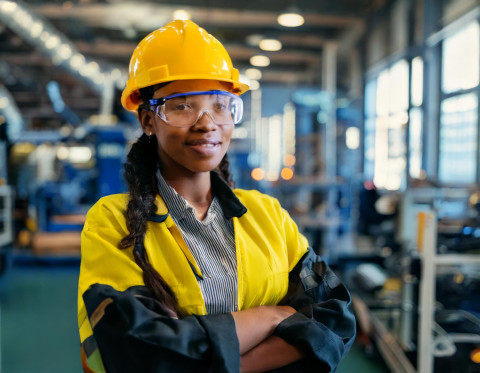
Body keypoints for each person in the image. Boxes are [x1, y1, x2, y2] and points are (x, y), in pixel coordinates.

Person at [77, 20, 356, 373]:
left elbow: (335, 319)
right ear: (149, 119)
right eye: (182, 106)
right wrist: (274, 315)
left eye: (221, 105)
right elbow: (142, 352)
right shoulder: (113, 222)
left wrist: (216, 362)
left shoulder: (267, 214)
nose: (207, 123)